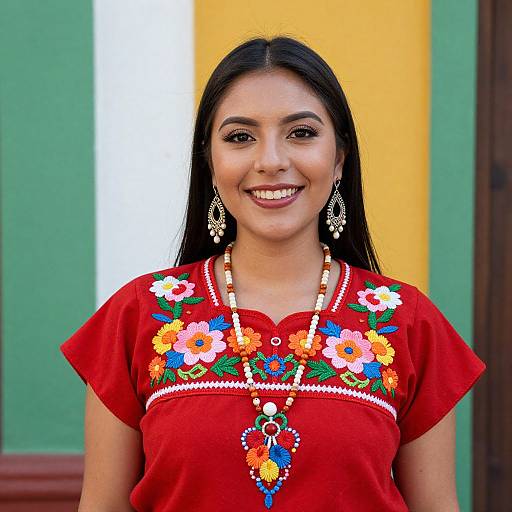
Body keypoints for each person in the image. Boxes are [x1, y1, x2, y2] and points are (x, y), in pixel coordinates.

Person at [60, 36, 486, 511]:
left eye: (301, 133)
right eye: (240, 137)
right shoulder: (142, 315)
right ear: (211, 161)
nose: (270, 162)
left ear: (340, 156)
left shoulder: (406, 323)